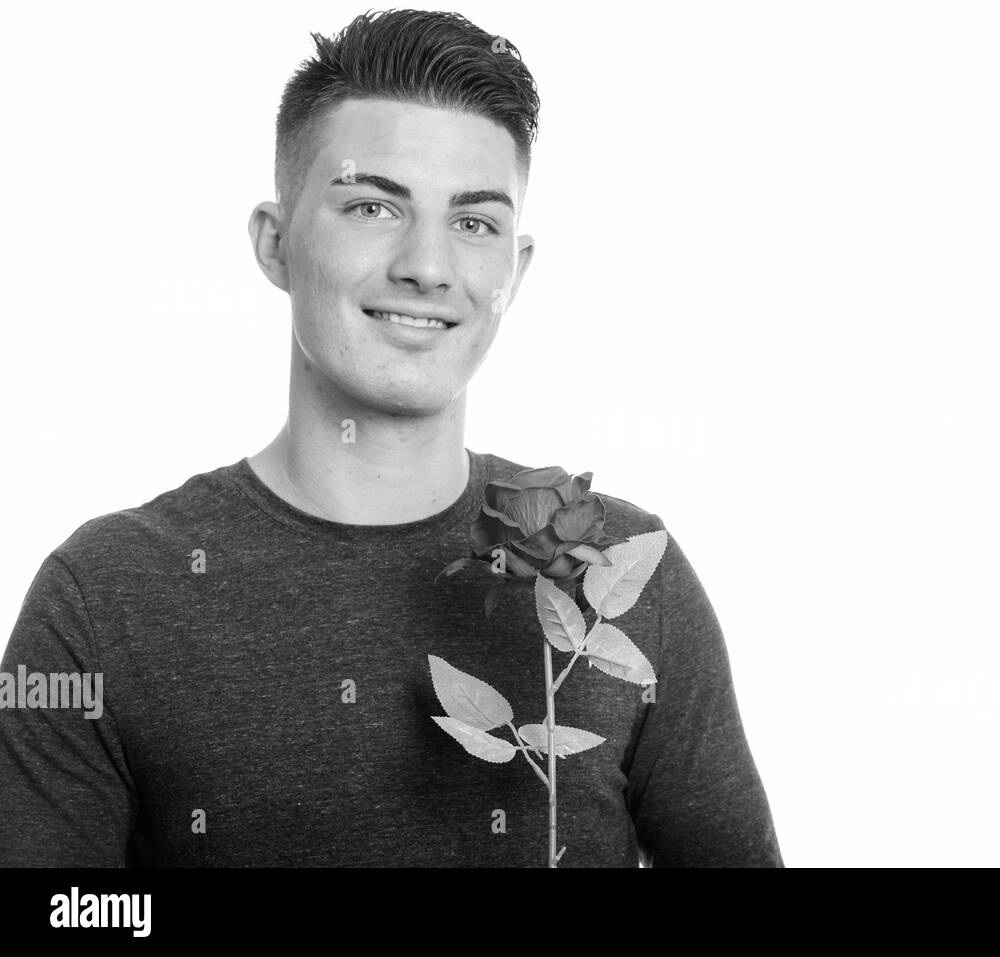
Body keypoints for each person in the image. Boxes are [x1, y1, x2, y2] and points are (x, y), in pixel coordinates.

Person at [0, 9, 782, 867]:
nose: (428, 265)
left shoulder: (628, 568)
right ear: (273, 243)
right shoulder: (101, 598)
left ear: (514, 272)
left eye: (474, 222)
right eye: (373, 205)